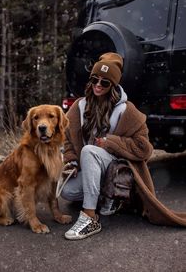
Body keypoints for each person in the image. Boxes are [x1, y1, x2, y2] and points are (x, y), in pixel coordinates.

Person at [61, 52, 154, 240]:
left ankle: (90, 217)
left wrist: (111, 142)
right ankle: (104, 196)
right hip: (89, 163)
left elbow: (145, 148)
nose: (97, 85)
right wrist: (71, 161)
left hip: (114, 166)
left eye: (104, 82)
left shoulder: (127, 110)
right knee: (67, 190)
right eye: (95, 79)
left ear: (113, 86)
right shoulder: (79, 106)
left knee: (89, 151)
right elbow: (67, 139)